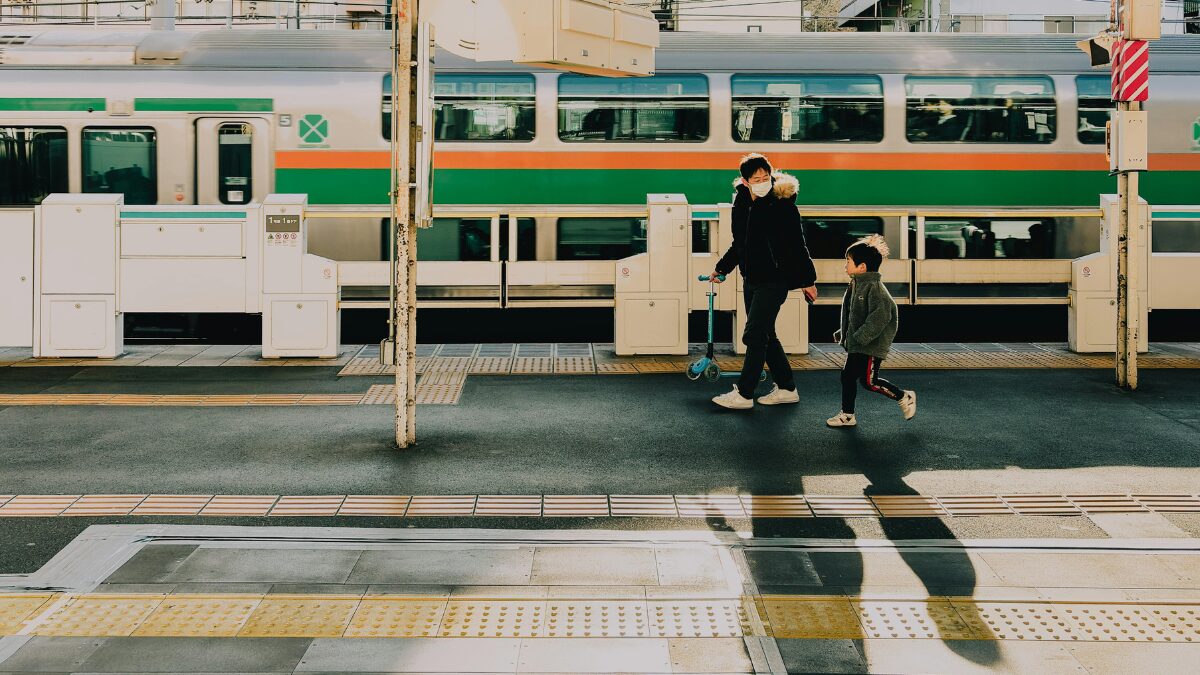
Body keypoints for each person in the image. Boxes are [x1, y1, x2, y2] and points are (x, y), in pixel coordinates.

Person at [710, 153, 818, 410]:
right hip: (752, 278)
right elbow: (740, 243)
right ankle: (787, 388)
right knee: (766, 334)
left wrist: (808, 280)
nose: (762, 182)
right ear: (745, 181)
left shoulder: (781, 203)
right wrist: (721, 268)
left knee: (755, 334)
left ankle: (745, 394)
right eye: (756, 178)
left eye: (766, 177)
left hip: (775, 279)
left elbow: (796, 244)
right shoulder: (741, 203)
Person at [827, 235, 916, 427]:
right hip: (860, 343)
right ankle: (848, 415)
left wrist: (860, 337)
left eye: (848, 261)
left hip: (870, 345)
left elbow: (881, 317)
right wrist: (843, 332)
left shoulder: (874, 288)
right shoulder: (858, 284)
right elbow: (854, 315)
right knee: (849, 376)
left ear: (862, 267)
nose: (845, 265)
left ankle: (904, 396)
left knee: (869, 382)